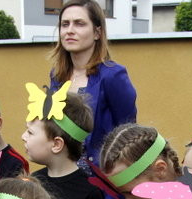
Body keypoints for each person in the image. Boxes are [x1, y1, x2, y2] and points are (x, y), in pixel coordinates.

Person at [49, 0, 137, 166]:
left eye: (79, 24)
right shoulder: (57, 76)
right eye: (65, 24)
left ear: (97, 32)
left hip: (100, 173)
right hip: (62, 170)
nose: (70, 30)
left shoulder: (113, 75)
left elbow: (128, 132)